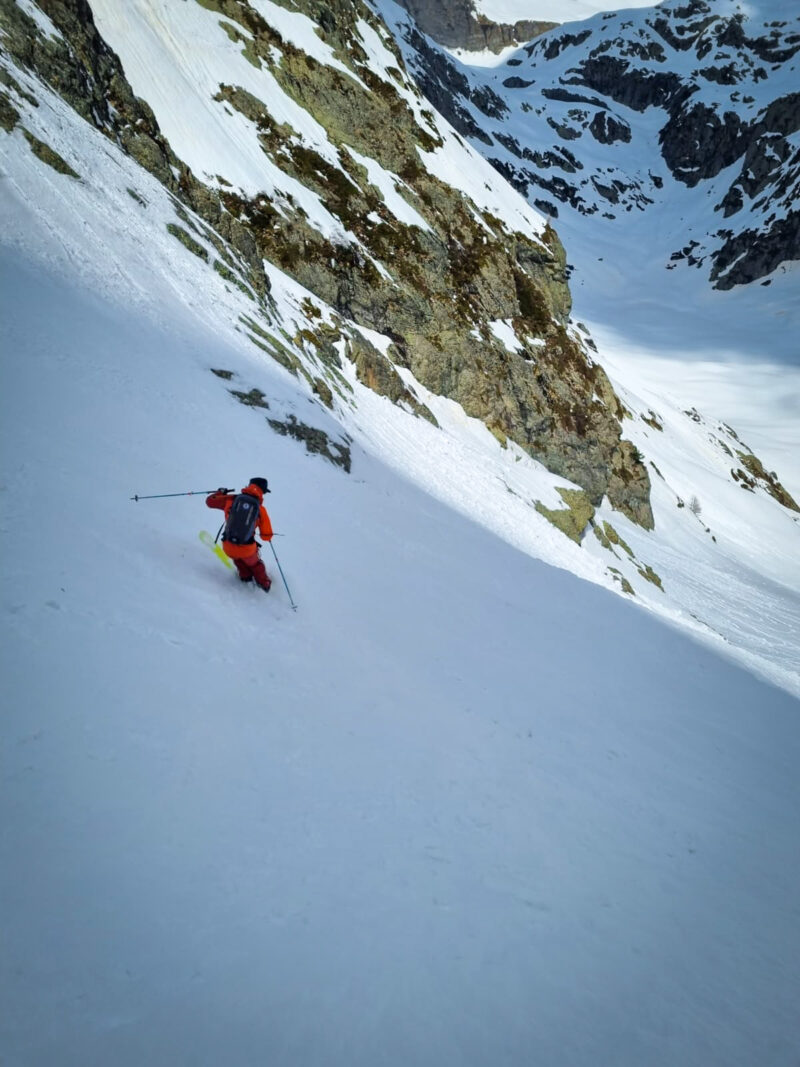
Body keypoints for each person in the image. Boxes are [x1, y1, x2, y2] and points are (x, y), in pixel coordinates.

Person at [206, 478, 273, 591]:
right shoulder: (261, 509)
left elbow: (210, 502)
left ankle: (245, 578)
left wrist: (219, 493)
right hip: (247, 549)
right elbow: (266, 536)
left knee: (238, 559)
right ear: (262, 492)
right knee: (256, 564)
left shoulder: (231, 499)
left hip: (228, 545)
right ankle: (264, 585)